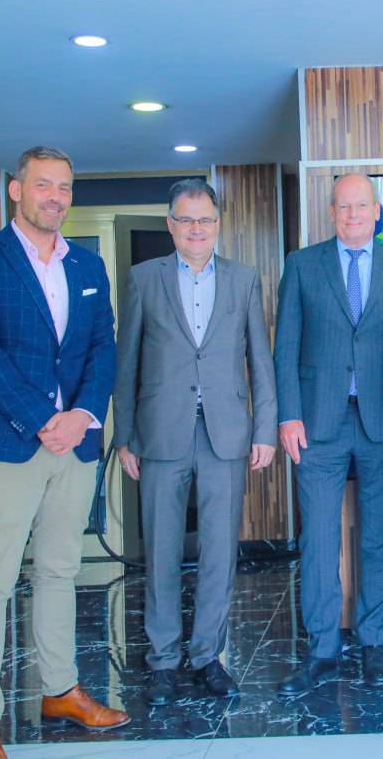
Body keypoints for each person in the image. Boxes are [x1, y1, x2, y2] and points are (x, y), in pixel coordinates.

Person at [0, 147, 126, 759]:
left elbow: (103, 346)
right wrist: (43, 418)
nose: (56, 197)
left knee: (59, 571)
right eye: (44, 184)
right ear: (16, 190)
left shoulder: (88, 264)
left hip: (74, 444)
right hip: (9, 442)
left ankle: (60, 690)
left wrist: (81, 416)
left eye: (65, 187)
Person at [112, 178, 276, 705]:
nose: (196, 229)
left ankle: (208, 656)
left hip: (226, 433)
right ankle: (162, 660)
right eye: (186, 220)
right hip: (160, 431)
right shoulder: (144, 278)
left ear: (218, 223)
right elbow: (127, 361)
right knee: (160, 548)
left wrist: (265, 429)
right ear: (171, 225)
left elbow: (260, 358)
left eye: (205, 219)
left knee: (219, 550)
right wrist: (125, 436)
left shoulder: (243, 279)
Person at [273, 173, 383, 693]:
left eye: (361, 206)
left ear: (377, 211)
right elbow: (285, 345)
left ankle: (373, 642)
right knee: (318, 536)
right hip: (317, 423)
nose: (353, 215)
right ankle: (322, 649)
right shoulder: (302, 264)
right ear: (331, 212)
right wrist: (288, 415)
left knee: (380, 534)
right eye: (343, 206)